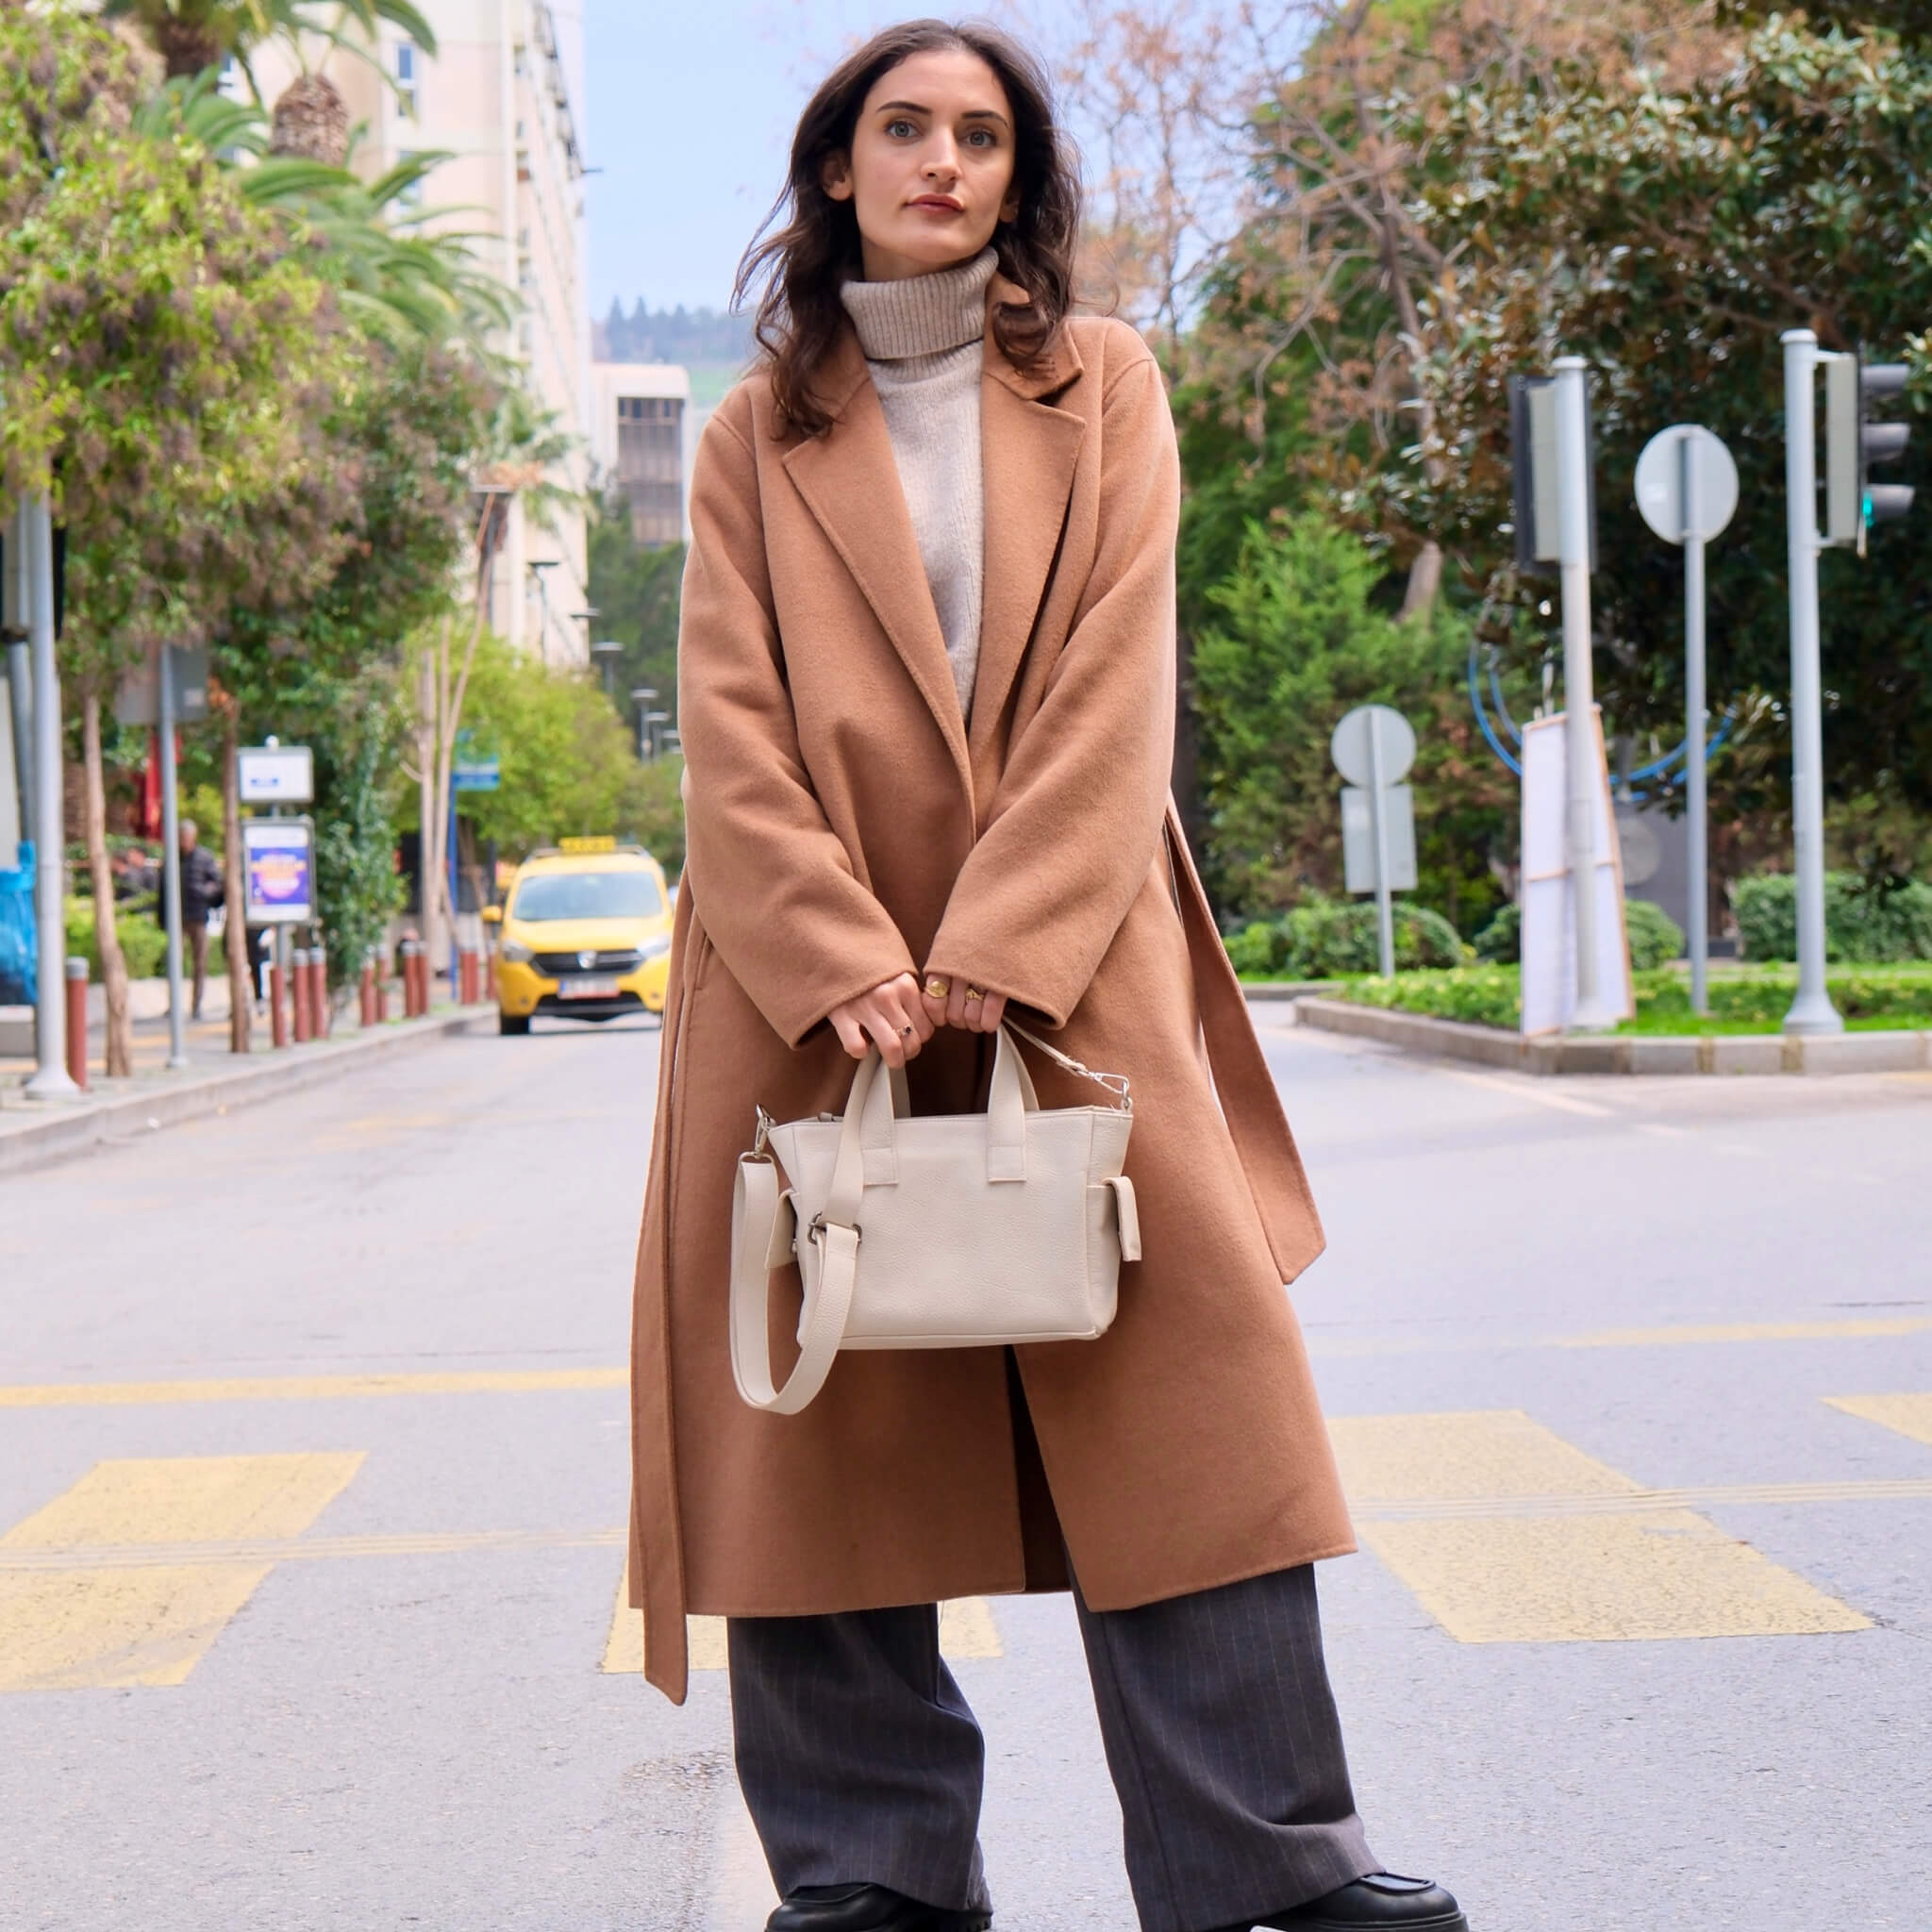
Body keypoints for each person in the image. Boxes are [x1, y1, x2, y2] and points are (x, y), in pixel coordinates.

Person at [627, 22, 1468, 1932]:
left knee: (1195, 1423)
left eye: (980, 134)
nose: (940, 160)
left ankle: (1268, 1864)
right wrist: (839, 950)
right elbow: (727, 727)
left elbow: (1112, 698)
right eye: (901, 128)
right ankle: (869, 1882)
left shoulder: (1105, 386)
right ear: (836, 165)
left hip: (1073, 969)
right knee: (816, 1445)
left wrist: (996, 953)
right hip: (802, 993)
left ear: (1020, 177)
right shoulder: (760, 426)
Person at [175, 819, 224, 1019]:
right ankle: (175, 1003)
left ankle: (197, 1004)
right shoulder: (174, 858)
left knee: (199, 963)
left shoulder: (204, 858)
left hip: (198, 916)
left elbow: (217, 884)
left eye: (186, 837)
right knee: (174, 961)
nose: (183, 841)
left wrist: (203, 893)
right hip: (177, 917)